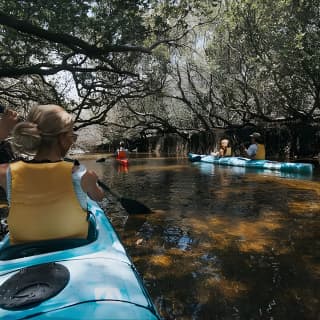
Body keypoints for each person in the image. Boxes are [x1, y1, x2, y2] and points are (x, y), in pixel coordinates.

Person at [0, 104, 104, 245]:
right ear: (62, 138)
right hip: (74, 248)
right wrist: (92, 183)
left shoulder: (7, 172)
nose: (73, 141)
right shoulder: (78, 173)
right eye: (72, 136)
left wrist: (3, 131)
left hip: (22, 252)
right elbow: (98, 196)